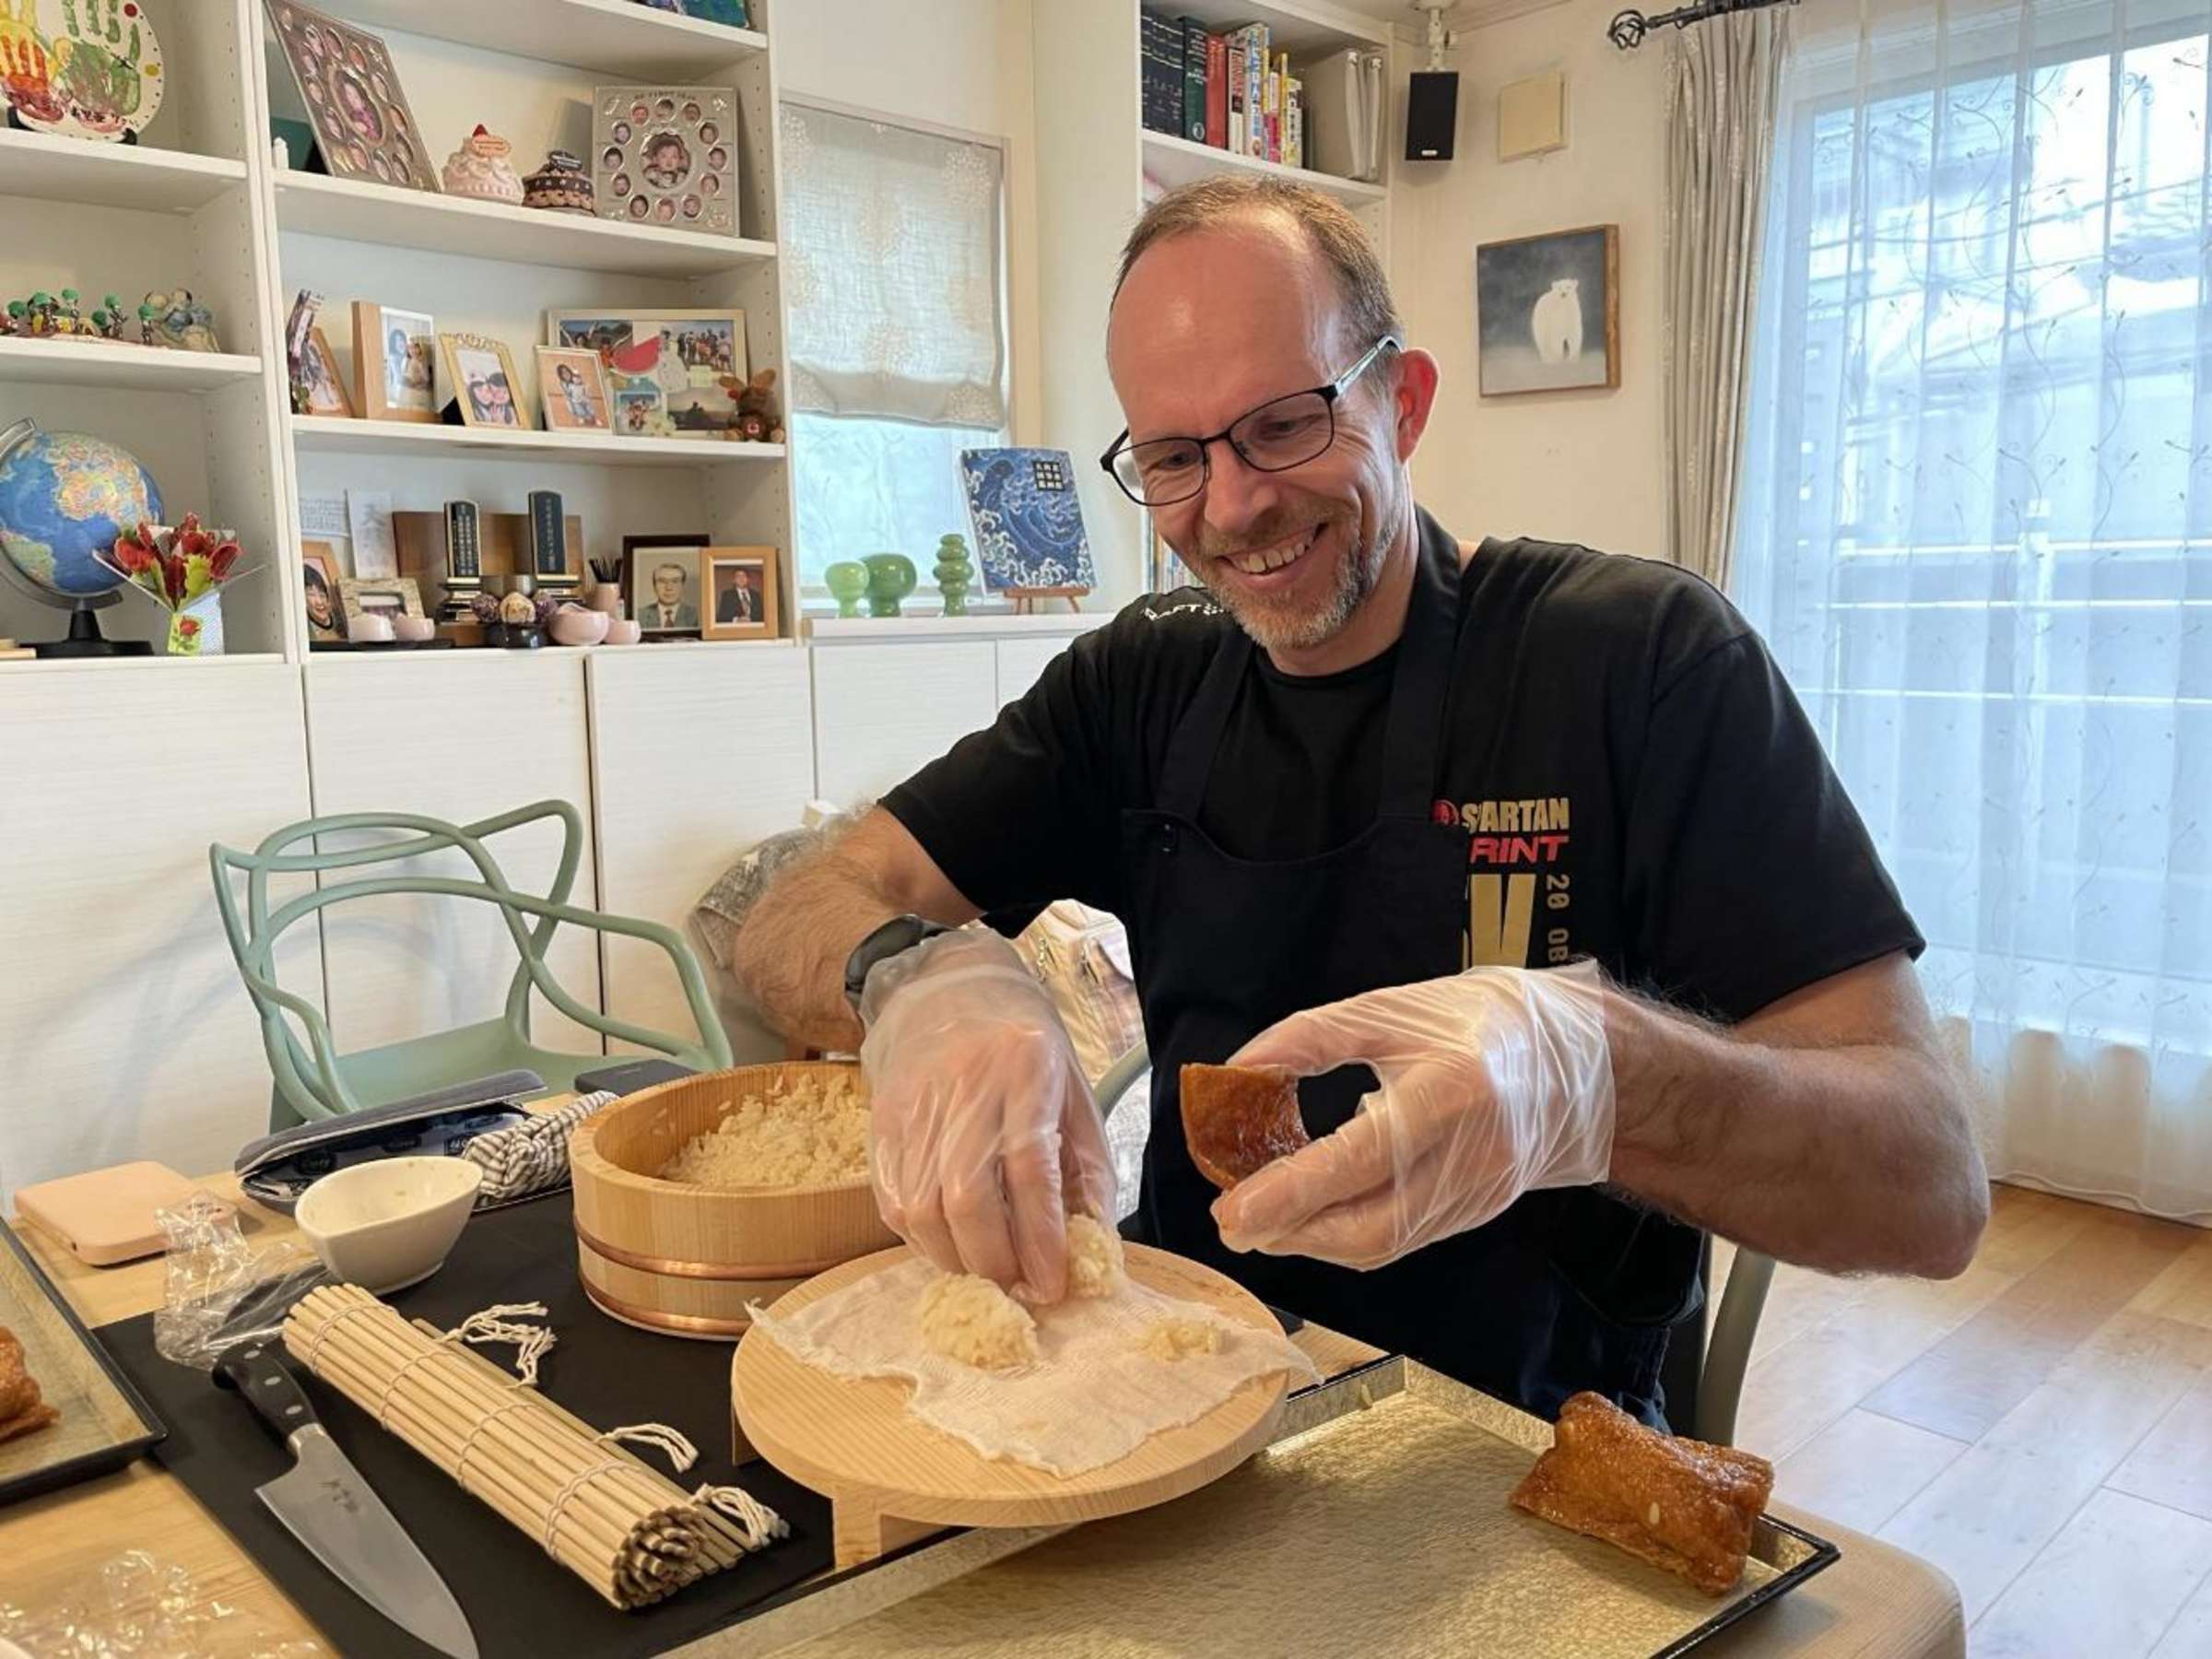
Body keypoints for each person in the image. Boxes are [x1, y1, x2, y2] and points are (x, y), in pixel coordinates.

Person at [732, 177, 1990, 1426]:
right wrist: (918, 978)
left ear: (1406, 400)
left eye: (1283, 424)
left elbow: (1929, 1187)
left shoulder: (1638, 666)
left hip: (1522, 1452)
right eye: (1174, 458)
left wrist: (1597, 1078)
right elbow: (793, 913)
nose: (1232, 506)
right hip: (1179, 1394)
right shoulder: (1139, 682)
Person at [641, 561, 697, 630]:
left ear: (683, 585)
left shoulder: (695, 615)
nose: (669, 587)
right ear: (654, 586)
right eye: (662, 581)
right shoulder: (640, 615)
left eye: (675, 581)